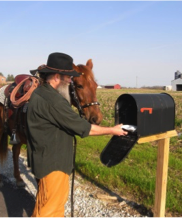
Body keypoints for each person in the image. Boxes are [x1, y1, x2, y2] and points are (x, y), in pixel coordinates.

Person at [27, 52, 127, 218]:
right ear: (58, 77)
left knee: (47, 207)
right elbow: (85, 128)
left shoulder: (42, 93)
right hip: (53, 164)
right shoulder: (53, 101)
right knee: (50, 212)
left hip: (48, 160)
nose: (69, 81)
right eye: (68, 78)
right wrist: (113, 130)